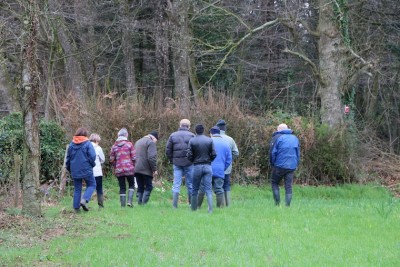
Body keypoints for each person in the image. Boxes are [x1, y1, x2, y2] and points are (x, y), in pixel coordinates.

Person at [166, 119, 195, 208]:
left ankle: (174, 205)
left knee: (176, 184)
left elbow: (168, 150)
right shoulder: (192, 136)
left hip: (177, 163)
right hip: (189, 163)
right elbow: (195, 150)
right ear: (189, 126)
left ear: (180, 125)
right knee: (190, 184)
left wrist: (172, 160)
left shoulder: (173, 135)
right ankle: (191, 204)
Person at [66, 127, 97, 213]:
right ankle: (84, 200)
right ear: (85, 135)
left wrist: (69, 168)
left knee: (77, 189)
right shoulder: (88, 143)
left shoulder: (71, 144)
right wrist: (91, 164)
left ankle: (76, 209)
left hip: (75, 169)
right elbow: (93, 156)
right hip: (86, 168)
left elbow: (68, 159)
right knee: (92, 184)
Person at [187, 124, 216, 213]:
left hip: (196, 166)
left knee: (195, 188)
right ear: (203, 130)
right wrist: (209, 160)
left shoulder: (192, 140)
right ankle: (210, 210)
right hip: (207, 166)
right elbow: (214, 154)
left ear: (195, 131)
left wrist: (193, 161)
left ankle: (193, 209)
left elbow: (189, 155)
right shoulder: (209, 140)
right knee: (208, 189)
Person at [269, 123, 300, 206]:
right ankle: (287, 205)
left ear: (279, 129)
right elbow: (298, 153)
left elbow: (272, 153)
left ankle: (277, 204)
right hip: (291, 166)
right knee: (288, 186)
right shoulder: (295, 138)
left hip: (279, 165)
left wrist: (272, 164)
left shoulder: (277, 138)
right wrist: (296, 163)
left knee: (274, 183)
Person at [110, 128, 136, 207]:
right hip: (129, 169)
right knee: (131, 184)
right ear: (126, 135)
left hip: (119, 170)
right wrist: (132, 165)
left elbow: (111, 159)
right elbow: (134, 157)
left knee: (122, 187)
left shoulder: (114, 146)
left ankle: (123, 206)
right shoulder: (129, 144)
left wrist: (116, 166)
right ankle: (129, 202)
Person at [215, 119, 239, 206]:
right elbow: (236, 152)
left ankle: (221, 204)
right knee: (226, 185)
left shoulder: (212, 139)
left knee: (217, 186)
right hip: (227, 167)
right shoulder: (230, 139)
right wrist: (228, 159)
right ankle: (228, 204)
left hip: (215, 167)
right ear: (225, 129)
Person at [209, 126, 232, 208]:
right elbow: (229, 159)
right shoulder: (225, 143)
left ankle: (209, 206)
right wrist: (223, 168)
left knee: (208, 189)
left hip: (208, 169)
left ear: (211, 133)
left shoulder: (209, 141)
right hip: (220, 170)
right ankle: (219, 207)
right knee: (219, 189)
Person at [134, 131, 158, 205]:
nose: (155, 142)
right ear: (154, 138)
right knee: (149, 186)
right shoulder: (151, 143)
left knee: (140, 186)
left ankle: (139, 203)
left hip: (136, 168)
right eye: (156, 141)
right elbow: (151, 158)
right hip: (146, 169)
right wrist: (154, 169)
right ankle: (144, 204)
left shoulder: (138, 142)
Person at [90, 133, 106, 208]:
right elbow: (103, 159)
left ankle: (84, 201)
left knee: (89, 187)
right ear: (96, 140)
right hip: (97, 171)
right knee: (99, 188)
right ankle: (100, 205)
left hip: (88, 171)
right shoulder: (98, 148)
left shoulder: (86, 147)